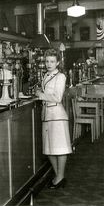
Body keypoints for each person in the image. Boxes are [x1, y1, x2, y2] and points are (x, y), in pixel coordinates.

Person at [35, 48, 72, 189]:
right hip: (47, 115)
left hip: (57, 116)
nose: (49, 64)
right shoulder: (46, 75)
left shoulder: (60, 76)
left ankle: (60, 176)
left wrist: (40, 95)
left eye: (52, 61)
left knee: (60, 148)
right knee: (49, 149)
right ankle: (59, 176)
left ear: (57, 63)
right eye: (47, 61)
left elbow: (57, 97)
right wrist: (40, 92)